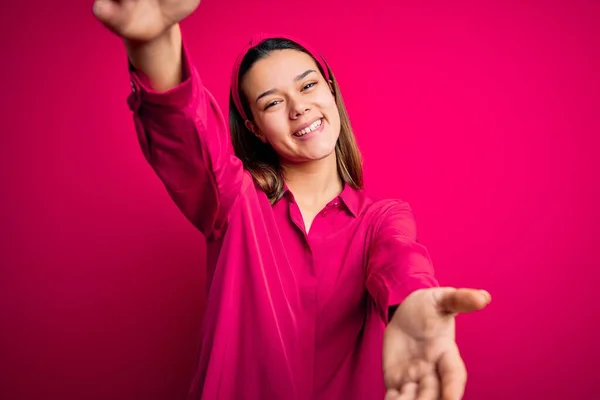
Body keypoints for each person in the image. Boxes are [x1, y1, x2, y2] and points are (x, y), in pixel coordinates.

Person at [93, 0, 492, 399]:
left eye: (308, 85)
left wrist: (415, 303)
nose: (299, 107)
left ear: (330, 89)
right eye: (272, 102)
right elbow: (188, 137)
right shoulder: (236, 202)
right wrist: (153, 42)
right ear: (255, 128)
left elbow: (401, 259)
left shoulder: (382, 219)